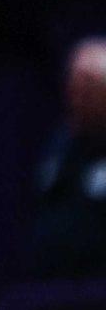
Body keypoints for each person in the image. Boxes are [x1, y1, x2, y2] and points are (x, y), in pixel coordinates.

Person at [29, 40, 106, 279]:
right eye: (74, 83)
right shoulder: (61, 144)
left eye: (89, 85)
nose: (79, 94)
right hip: (56, 284)